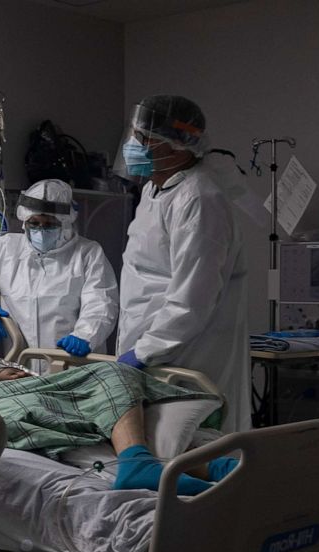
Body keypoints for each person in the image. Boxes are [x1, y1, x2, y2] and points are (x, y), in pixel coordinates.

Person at [0, 336, 236, 495]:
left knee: (99, 394)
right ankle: (142, 465)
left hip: (6, 383)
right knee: (111, 375)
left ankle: (193, 468)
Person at [116, 95, 251, 433]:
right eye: (134, 134)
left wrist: (145, 352)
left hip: (185, 351)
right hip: (149, 342)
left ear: (177, 146)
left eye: (143, 139)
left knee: (189, 444)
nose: (133, 145)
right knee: (149, 441)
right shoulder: (154, 190)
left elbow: (193, 298)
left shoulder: (200, 199)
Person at [0, 179, 118, 365]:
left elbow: (102, 302)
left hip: (71, 362)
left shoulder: (88, 253)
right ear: (24, 221)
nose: (40, 229)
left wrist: (85, 335)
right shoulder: (8, 247)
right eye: (34, 223)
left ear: (65, 223)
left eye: (49, 223)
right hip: (20, 364)